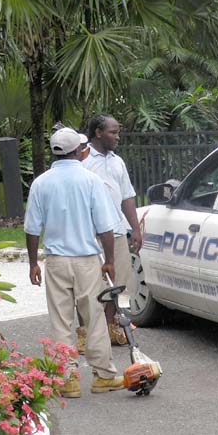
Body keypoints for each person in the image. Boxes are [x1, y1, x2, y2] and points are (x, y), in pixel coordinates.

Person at [24, 127, 125, 398]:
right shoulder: (91, 181)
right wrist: (110, 260)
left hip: (56, 260)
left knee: (60, 320)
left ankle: (66, 378)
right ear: (79, 151)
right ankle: (103, 375)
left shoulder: (41, 183)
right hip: (87, 260)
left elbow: (32, 229)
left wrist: (33, 263)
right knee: (94, 318)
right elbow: (105, 227)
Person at [76, 113, 143, 349]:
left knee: (120, 283)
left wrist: (135, 228)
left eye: (117, 132)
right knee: (89, 286)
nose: (117, 136)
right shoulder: (82, 160)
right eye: (113, 132)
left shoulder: (117, 161)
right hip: (89, 235)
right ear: (98, 133)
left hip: (116, 232)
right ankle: (87, 331)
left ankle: (110, 327)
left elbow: (127, 196)